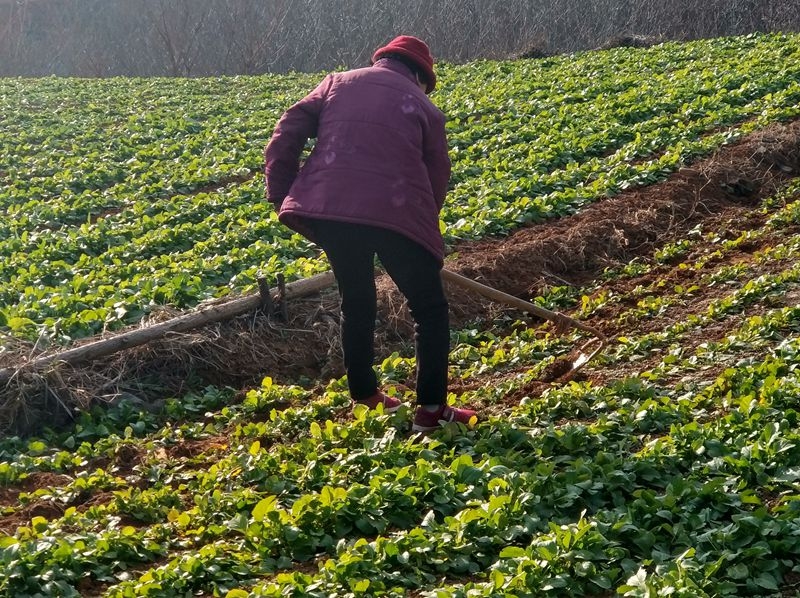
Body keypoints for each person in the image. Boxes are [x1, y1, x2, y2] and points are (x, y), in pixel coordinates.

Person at [264, 35, 477, 432]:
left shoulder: (336, 83)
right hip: (395, 212)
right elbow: (437, 178)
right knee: (428, 310)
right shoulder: (424, 107)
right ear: (419, 74)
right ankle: (430, 413)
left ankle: (365, 395)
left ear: (383, 60)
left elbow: (286, 131)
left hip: (332, 210)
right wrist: (421, 230)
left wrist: (281, 194)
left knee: (356, 298)